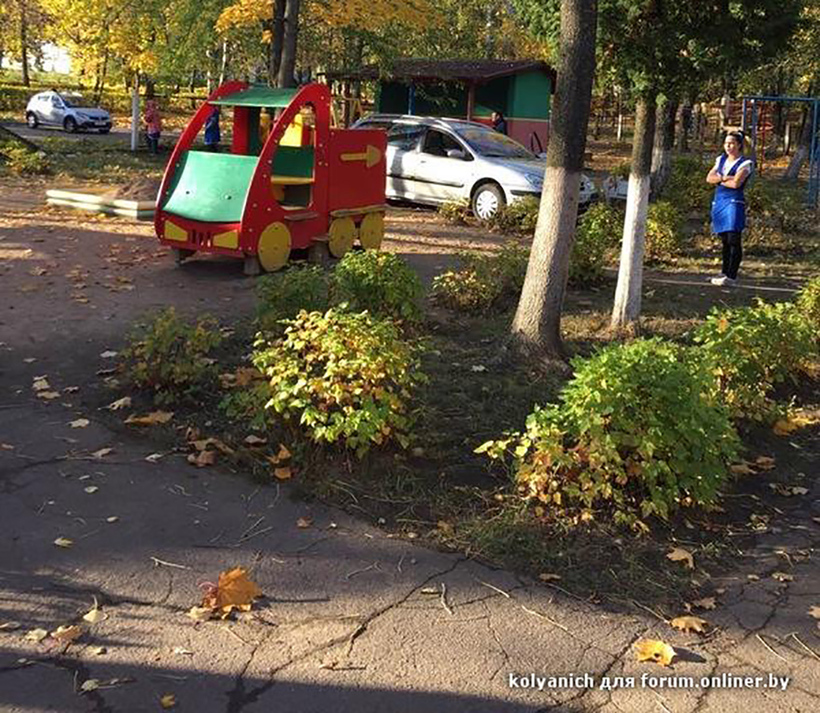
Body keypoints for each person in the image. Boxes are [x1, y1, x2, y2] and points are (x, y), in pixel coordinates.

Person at [706, 130, 753, 286]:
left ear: (739, 145)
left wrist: (719, 180)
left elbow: (736, 184)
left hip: (734, 201)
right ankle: (724, 271)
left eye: (732, 143)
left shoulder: (745, 163)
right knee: (724, 238)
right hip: (719, 200)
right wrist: (724, 178)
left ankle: (732, 276)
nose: (728, 146)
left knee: (733, 237)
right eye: (726, 143)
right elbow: (709, 178)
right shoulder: (720, 160)